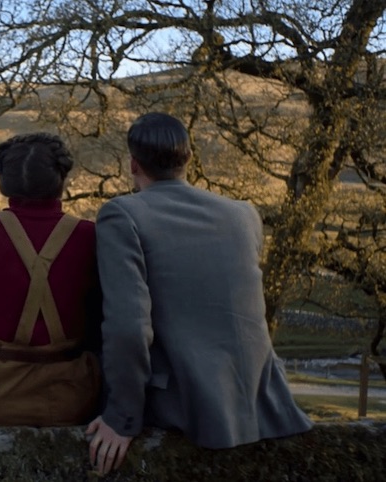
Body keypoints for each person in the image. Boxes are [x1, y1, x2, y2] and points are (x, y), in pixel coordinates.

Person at [87, 112, 313, 474]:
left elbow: (128, 327)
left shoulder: (122, 214)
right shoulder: (245, 214)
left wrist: (121, 418)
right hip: (259, 401)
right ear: (189, 158)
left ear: (133, 164)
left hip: (187, 404)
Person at [0, 132, 101, 427]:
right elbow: (98, 328)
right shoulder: (90, 236)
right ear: (61, 179)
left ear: (4, 181)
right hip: (73, 397)